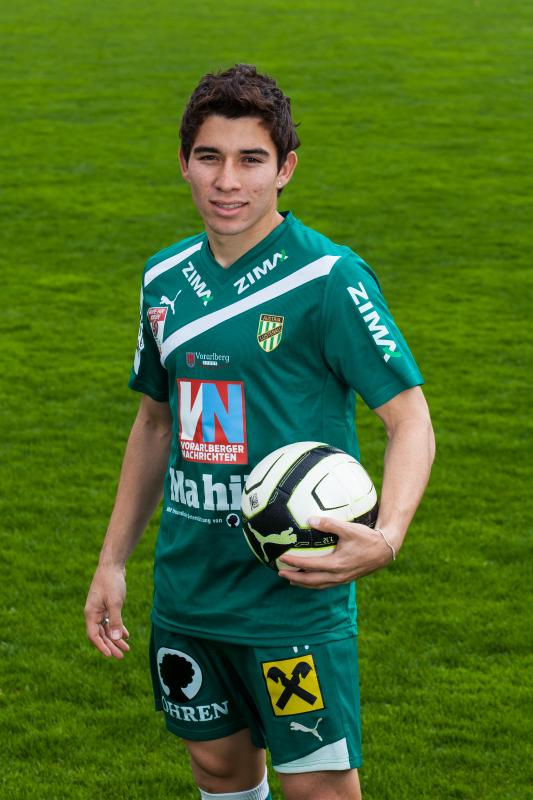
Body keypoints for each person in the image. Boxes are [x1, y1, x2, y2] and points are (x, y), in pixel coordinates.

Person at [85, 64, 435, 800]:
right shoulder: (163, 279)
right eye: (209, 157)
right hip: (188, 589)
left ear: (285, 169)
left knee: (319, 789)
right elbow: (154, 422)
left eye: (251, 159)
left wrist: (388, 536)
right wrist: (112, 561)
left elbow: (408, 418)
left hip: (291, 593)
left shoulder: (328, 278)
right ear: (184, 163)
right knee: (217, 767)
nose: (227, 181)